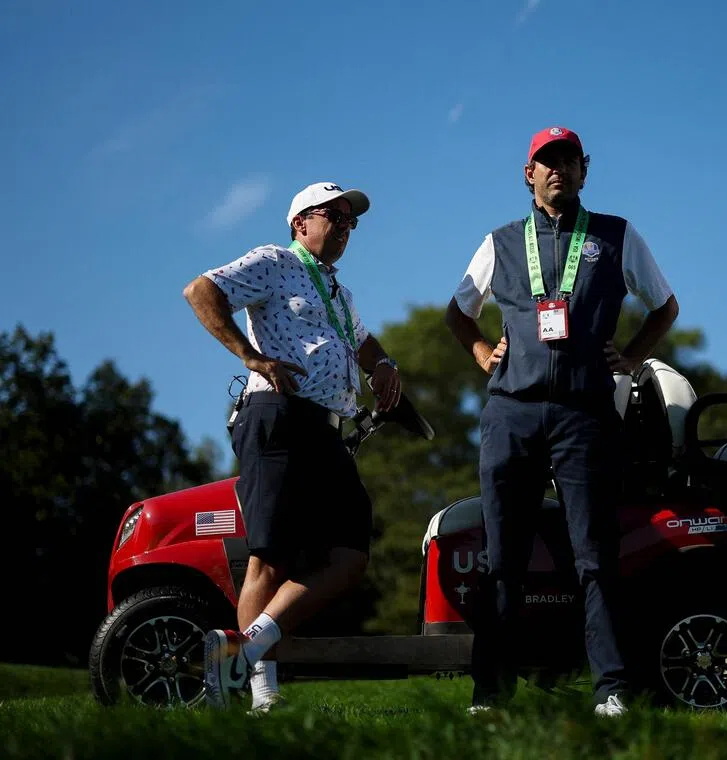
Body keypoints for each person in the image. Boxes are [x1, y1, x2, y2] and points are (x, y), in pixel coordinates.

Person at [445, 126, 679, 717]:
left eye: (568, 161)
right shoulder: (499, 241)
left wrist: (630, 356)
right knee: (504, 558)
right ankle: (491, 693)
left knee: (596, 554)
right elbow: (458, 311)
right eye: (546, 162)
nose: (558, 171)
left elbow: (666, 305)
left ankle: (612, 689)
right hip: (511, 412)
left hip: (585, 412)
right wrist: (480, 353)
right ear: (529, 174)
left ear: (585, 169)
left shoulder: (615, 235)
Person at [183, 181, 401, 712]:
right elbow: (201, 291)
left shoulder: (337, 291)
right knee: (271, 558)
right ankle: (260, 693)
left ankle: (239, 648)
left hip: (326, 429)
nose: (346, 227)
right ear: (301, 222)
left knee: (349, 552)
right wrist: (250, 356)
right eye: (335, 216)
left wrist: (383, 364)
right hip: (276, 416)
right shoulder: (275, 260)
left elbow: (361, 338)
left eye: (352, 221)